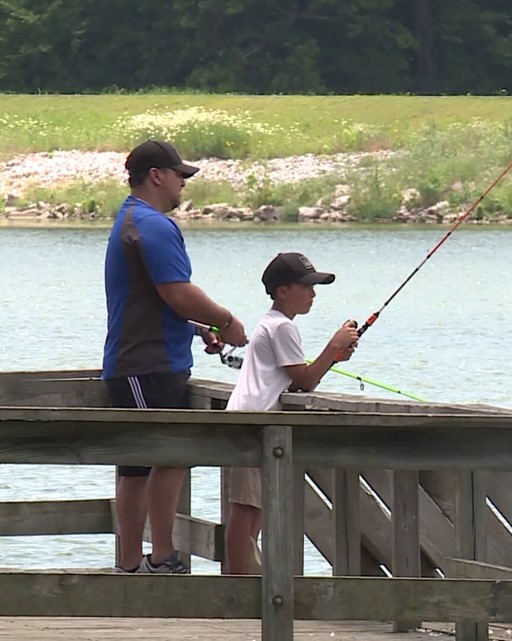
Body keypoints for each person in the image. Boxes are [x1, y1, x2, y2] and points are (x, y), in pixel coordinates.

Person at [103, 139, 248, 574]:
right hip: (147, 364)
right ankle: (161, 557)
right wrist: (226, 321)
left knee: (137, 466)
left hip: (138, 362)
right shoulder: (152, 225)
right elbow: (178, 293)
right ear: (157, 175)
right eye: (180, 175)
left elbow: (155, 300)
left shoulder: (131, 219)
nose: (184, 184)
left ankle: (131, 565)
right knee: (169, 455)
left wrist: (194, 327)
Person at [224, 252, 359, 575]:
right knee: (246, 510)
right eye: (306, 286)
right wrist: (332, 347)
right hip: (251, 423)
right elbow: (305, 381)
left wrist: (334, 357)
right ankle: (237, 582)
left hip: (249, 422)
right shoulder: (282, 327)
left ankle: (242, 578)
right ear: (282, 291)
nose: (313, 293)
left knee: (252, 509)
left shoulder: (271, 324)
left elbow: (297, 381)